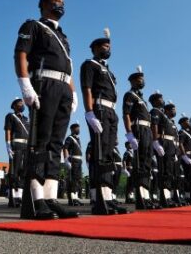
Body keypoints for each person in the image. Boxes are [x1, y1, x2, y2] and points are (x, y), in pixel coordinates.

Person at [14, 0, 79, 220]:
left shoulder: (63, 35)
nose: (59, 4)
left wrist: (73, 93)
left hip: (63, 89)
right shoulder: (33, 26)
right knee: (40, 141)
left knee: (55, 145)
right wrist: (25, 85)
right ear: (43, 5)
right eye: (54, 1)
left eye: (61, 1)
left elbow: (68, 67)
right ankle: (36, 197)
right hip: (44, 85)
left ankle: (51, 198)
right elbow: (20, 53)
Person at [80, 28, 127, 215]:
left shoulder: (108, 71)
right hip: (99, 109)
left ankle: (108, 197)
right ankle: (99, 199)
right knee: (99, 152)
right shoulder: (89, 65)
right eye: (103, 46)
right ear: (94, 48)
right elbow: (87, 89)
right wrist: (89, 112)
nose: (107, 48)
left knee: (108, 153)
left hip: (111, 112)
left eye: (108, 46)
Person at [122, 66, 155, 209]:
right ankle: (140, 196)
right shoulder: (129, 95)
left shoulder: (142, 99)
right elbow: (126, 114)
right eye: (139, 79)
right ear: (132, 81)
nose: (142, 81)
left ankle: (146, 195)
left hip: (147, 130)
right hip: (138, 129)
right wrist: (129, 133)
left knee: (147, 162)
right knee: (140, 162)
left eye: (143, 79)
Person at [149, 91, 175, 207]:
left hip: (169, 143)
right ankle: (163, 197)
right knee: (163, 169)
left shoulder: (162, 113)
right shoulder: (155, 111)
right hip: (162, 142)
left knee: (168, 170)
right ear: (155, 101)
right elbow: (154, 125)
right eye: (160, 98)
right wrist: (155, 141)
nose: (162, 100)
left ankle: (167, 196)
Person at [4, 97, 29, 207]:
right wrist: (8, 145)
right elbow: (8, 130)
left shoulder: (26, 118)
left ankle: (19, 196)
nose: (22, 104)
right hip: (16, 145)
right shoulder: (10, 116)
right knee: (14, 170)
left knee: (23, 172)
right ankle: (12, 196)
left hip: (26, 145)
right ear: (14, 106)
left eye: (22, 103)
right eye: (19, 103)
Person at [178, 116, 191, 204]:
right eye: (187, 121)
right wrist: (184, 156)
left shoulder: (188, 134)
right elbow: (180, 143)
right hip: (187, 156)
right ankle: (188, 197)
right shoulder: (182, 132)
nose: (189, 122)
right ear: (182, 123)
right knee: (188, 178)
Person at [62, 123, 83, 206]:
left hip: (79, 160)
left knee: (78, 179)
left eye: (78, 128)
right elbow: (65, 148)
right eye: (77, 128)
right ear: (72, 129)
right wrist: (66, 159)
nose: (78, 130)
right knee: (72, 179)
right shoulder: (69, 138)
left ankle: (76, 197)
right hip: (73, 160)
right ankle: (72, 198)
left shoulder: (77, 139)